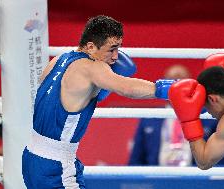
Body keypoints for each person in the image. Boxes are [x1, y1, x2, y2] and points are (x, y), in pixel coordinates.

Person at [21, 15, 175, 189]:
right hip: (56, 166)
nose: (116, 56)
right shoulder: (92, 67)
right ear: (91, 47)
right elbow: (126, 88)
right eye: (112, 49)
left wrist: (96, 92)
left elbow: (57, 98)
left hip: (31, 156)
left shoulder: (58, 60)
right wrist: (169, 89)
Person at [168, 55, 224, 174]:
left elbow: (204, 161)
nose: (210, 114)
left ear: (212, 99)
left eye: (206, 107)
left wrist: (189, 120)